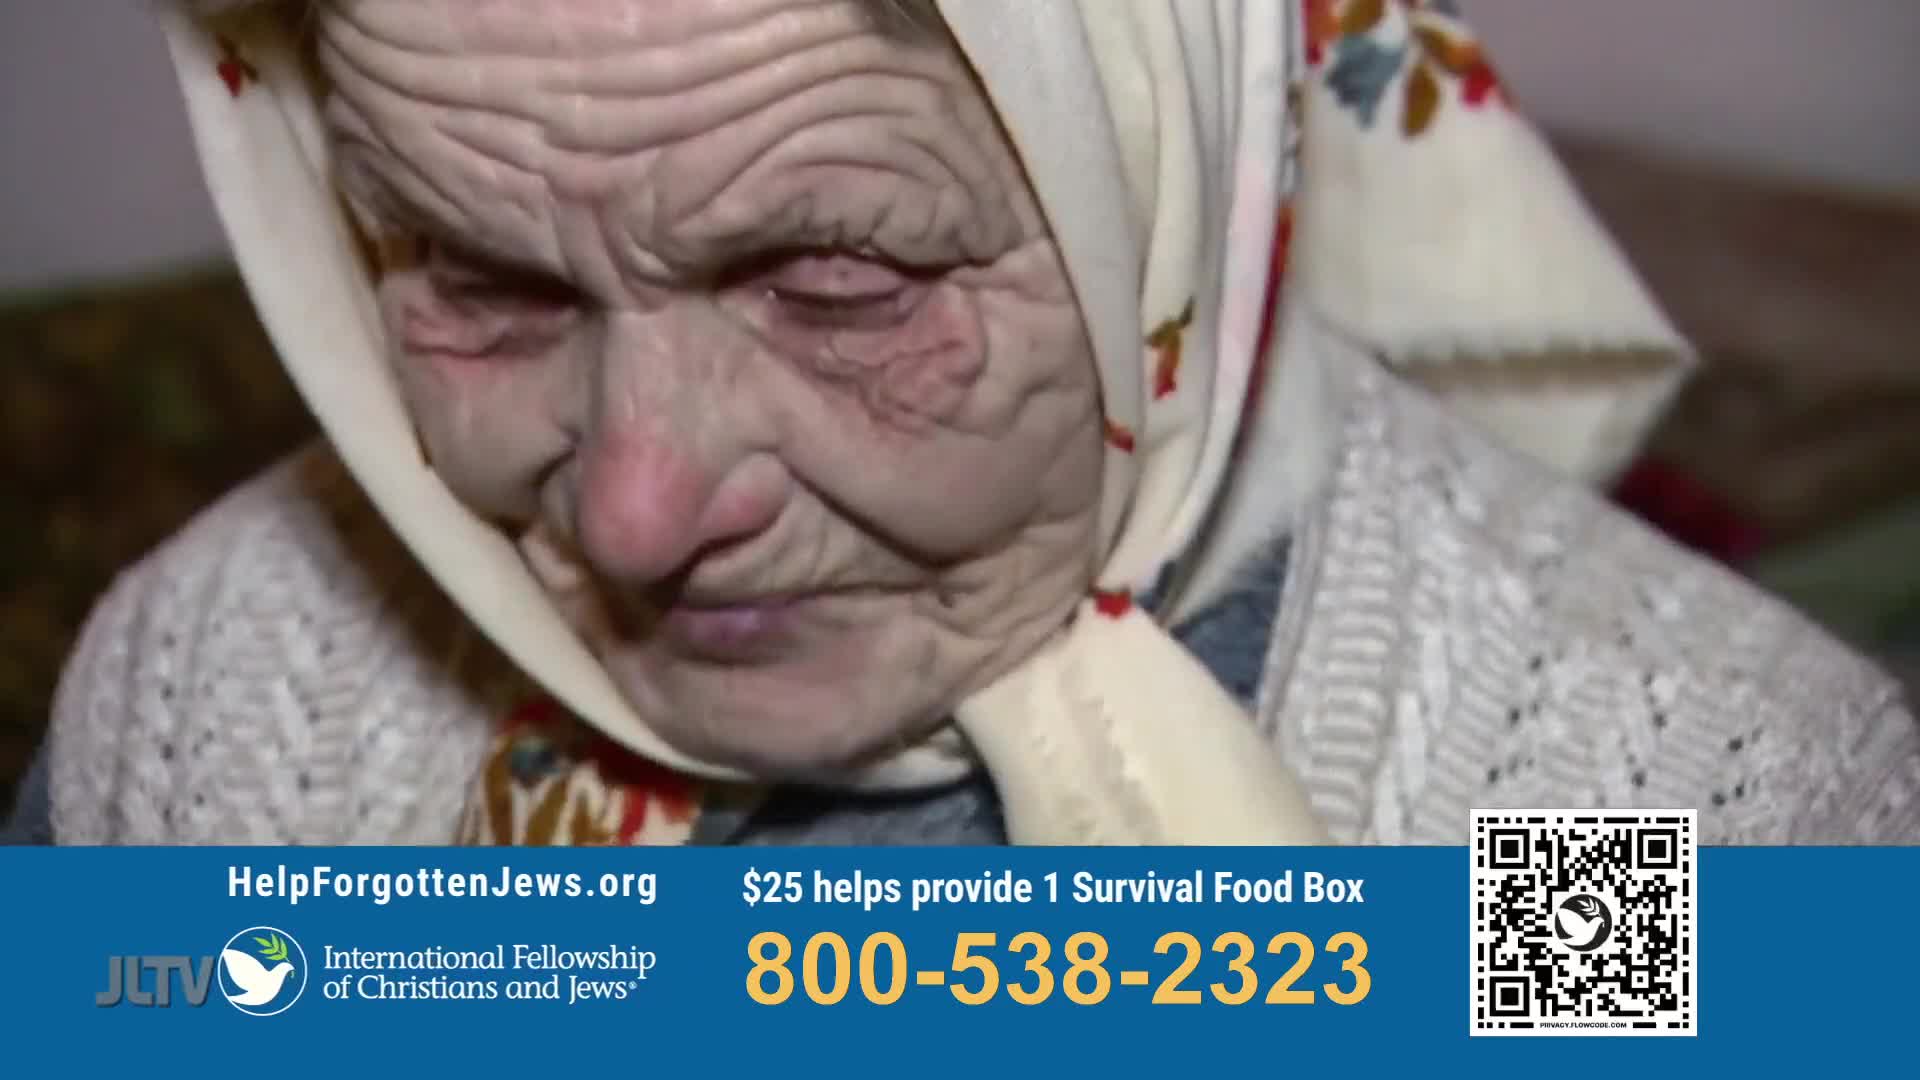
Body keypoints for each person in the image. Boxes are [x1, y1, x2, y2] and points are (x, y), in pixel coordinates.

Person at [8, 0, 1917, 847]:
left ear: (1156, 208)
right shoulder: (204, 709)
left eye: (841, 284)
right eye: (474, 279)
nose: (638, 506)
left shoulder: (1635, 810)